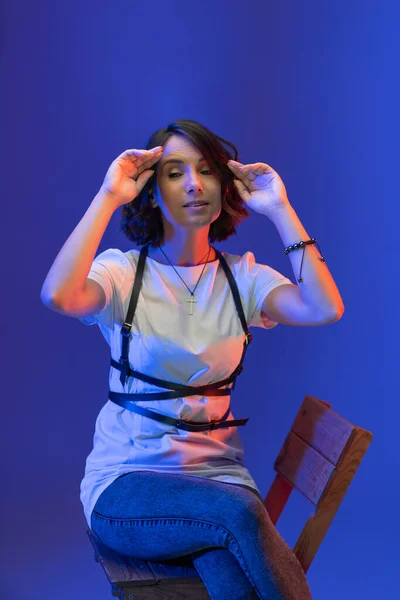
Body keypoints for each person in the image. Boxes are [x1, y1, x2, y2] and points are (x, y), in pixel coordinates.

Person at [41, 119, 344, 599]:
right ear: (152, 190)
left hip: (219, 482)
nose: (193, 184)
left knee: (228, 562)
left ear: (224, 186)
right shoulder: (122, 274)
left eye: (206, 170)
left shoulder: (244, 279)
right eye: (175, 172)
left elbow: (324, 308)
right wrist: (107, 197)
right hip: (128, 486)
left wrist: (280, 209)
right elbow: (59, 295)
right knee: (240, 517)